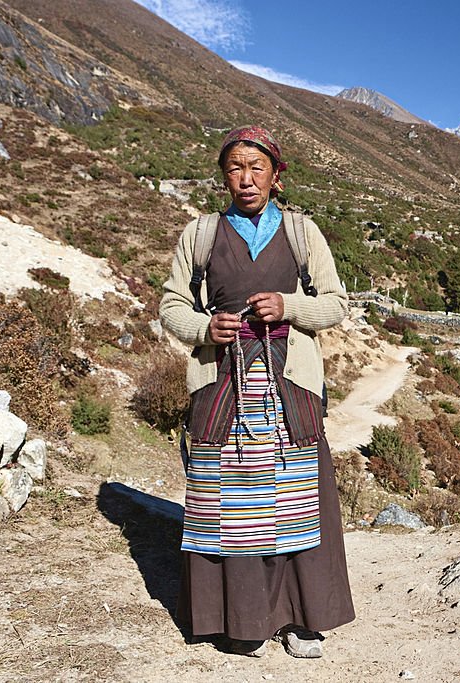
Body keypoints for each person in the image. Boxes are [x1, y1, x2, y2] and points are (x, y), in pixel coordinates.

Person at [159, 125, 355, 658]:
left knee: (296, 499)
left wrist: (289, 307)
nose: (246, 180)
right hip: (223, 381)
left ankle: (300, 619)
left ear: (275, 176)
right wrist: (205, 329)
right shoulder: (200, 234)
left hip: (287, 384)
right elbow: (172, 304)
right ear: (224, 175)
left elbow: (336, 304)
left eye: (257, 169)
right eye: (235, 169)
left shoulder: (301, 233)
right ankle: (244, 621)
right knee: (231, 504)